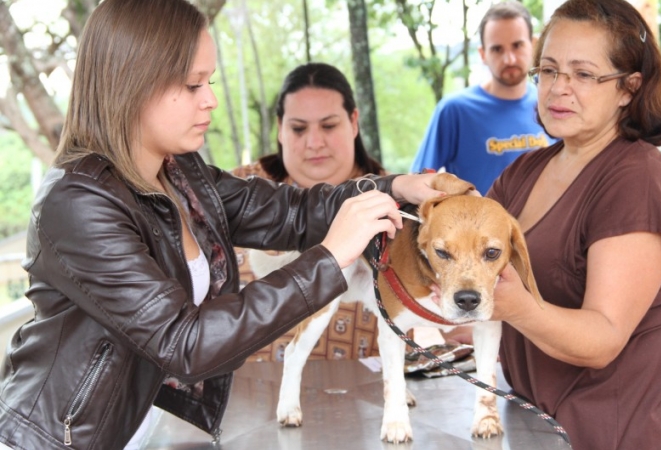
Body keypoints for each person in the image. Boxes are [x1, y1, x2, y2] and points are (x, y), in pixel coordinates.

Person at [0, 1, 444, 449]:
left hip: (133, 431)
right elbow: (186, 342)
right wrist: (330, 259)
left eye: (208, 81)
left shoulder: (179, 173)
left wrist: (398, 186)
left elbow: (289, 212)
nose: (210, 99)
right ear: (131, 84)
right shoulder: (78, 202)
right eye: (194, 84)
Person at [486, 1, 661, 449]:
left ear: (629, 88)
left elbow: (603, 338)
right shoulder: (526, 170)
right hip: (543, 424)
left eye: (584, 74)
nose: (559, 89)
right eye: (550, 70)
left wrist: (516, 307)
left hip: (621, 432)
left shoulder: (638, 179)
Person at [232, 62, 386, 361]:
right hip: (243, 401)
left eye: (328, 126)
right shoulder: (234, 192)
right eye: (298, 129)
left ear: (354, 122)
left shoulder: (391, 205)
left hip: (364, 400)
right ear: (279, 129)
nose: (315, 142)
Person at [411, 1, 554, 195]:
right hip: (478, 224)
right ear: (483, 54)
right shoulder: (455, 110)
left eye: (517, 45)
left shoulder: (552, 103)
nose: (509, 59)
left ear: (534, 45)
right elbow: (418, 181)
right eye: (497, 49)